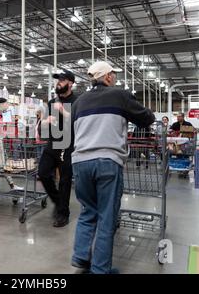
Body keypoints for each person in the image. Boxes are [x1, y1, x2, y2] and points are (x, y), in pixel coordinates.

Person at [71, 61, 155, 274]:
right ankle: (100, 270)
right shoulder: (120, 95)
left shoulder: (79, 102)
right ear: (107, 77)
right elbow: (147, 119)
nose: (115, 78)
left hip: (80, 162)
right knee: (107, 217)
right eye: (113, 75)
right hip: (107, 160)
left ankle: (80, 256)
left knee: (88, 210)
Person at [38, 69, 78, 228]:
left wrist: (65, 112)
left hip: (68, 145)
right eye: (57, 80)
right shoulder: (51, 102)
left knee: (65, 180)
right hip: (52, 144)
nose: (58, 83)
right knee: (42, 173)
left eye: (62, 80)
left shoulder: (77, 101)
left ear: (70, 83)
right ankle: (58, 201)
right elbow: (46, 127)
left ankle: (63, 214)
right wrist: (45, 121)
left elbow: (80, 122)